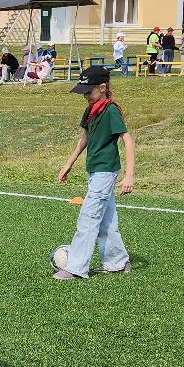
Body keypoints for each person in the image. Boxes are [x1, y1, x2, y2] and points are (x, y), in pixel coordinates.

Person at [52, 66, 134, 278]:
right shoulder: (91, 109)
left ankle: (76, 268)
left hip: (106, 171)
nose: (85, 96)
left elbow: (127, 140)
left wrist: (129, 175)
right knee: (107, 219)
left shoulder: (111, 110)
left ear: (103, 87)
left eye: (89, 91)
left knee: (89, 217)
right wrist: (69, 163)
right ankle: (117, 262)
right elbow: (85, 138)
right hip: (95, 170)